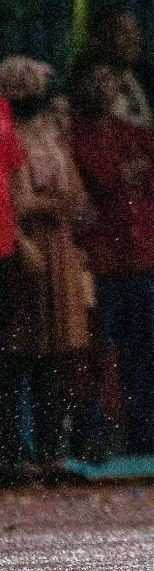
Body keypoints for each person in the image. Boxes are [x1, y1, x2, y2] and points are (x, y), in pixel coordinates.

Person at [70, 59, 154, 457]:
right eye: (96, 77)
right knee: (94, 350)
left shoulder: (138, 134)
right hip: (101, 258)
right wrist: (128, 173)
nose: (105, 87)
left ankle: (145, 432)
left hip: (145, 256)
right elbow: (101, 177)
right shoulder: (74, 136)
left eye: (110, 79)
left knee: (146, 350)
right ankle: (87, 433)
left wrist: (131, 172)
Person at [0, 57, 90, 481]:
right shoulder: (10, 134)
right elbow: (16, 199)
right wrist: (39, 211)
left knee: (54, 354)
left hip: (57, 247)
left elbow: (74, 192)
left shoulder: (52, 136)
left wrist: (56, 204)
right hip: (26, 244)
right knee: (20, 351)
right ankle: (16, 451)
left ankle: (51, 452)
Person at [0, 84, 27, 486]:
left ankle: (6, 451)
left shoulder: (2, 107)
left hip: (4, 245)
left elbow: (15, 173)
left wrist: (20, 236)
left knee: (8, 352)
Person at [83, 5, 154, 131]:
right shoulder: (90, 81)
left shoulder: (146, 77)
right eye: (123, 32)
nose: (132, 38)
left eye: (135, 31)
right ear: (105, 37)